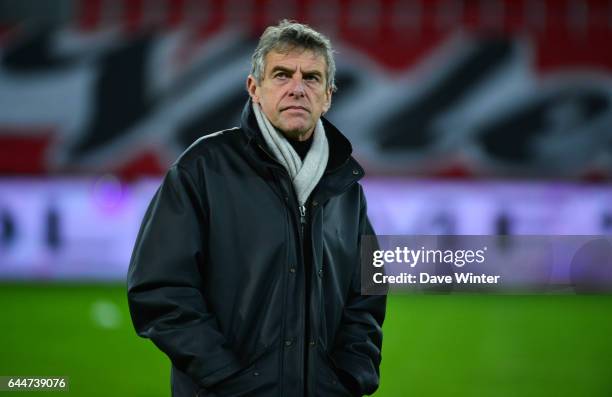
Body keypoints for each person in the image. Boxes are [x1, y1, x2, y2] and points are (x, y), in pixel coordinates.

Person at [127, 20, 386, 397]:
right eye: (282, 75)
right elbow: (159, 288)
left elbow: (367, 289)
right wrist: (227, 377)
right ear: (254, 89)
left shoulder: (345, 184)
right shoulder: (203, 167)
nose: (298, 88)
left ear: (328, 95)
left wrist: (349, 376)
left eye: (312, 78)